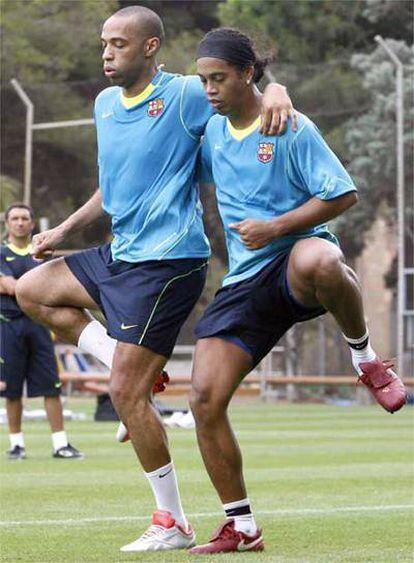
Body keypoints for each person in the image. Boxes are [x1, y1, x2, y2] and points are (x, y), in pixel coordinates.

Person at [15, 6, 296, 552]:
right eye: (103, 43)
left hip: (170, 262)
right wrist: (66, 228)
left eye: (118, 43)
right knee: (32, 289)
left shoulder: (187, 94)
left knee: (124, 392)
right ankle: (125, 361)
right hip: (121, 253)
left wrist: (277, 88)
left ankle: (171, 521)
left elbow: (240, 84)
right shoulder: (102, 104)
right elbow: (113, 187)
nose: (106, 53)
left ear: (149, 48)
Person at [188, 28, 407, 555]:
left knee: (324, 257)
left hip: (294, 262)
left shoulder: (291, 125)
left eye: (219, 78)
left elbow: (343, 194)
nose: (210, 90)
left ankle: (366, 358)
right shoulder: (212, 134)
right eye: (203, 81)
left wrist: (276, 226)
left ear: (247, 74)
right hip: (243, 284)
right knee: (202, 399)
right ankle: (241, 528)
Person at [0, 203, 83, 460]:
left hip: (41, 326)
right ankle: (17, 445)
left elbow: (56, 286)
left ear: (32, 223)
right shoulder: (1, 253)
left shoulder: (43, 253)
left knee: (51, 386)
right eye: (15, 218)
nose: (20, 223)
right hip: (9, 326)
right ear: (7, 224)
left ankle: (60, 444)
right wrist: (33, 286)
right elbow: (9, 286)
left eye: (25, 218)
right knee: (12, 389)